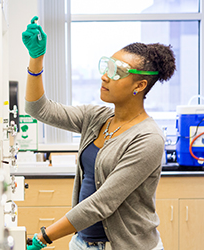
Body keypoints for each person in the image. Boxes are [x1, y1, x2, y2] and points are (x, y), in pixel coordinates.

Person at [22, 16, 176, 250]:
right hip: (83, 243)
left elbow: (102, 203)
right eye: (107, 67)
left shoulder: (148, 138)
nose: (105, 76)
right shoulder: (96, 117)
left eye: (116, 72)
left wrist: (45, 236)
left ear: (139, 86)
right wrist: (36, 59)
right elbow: (38, 108)